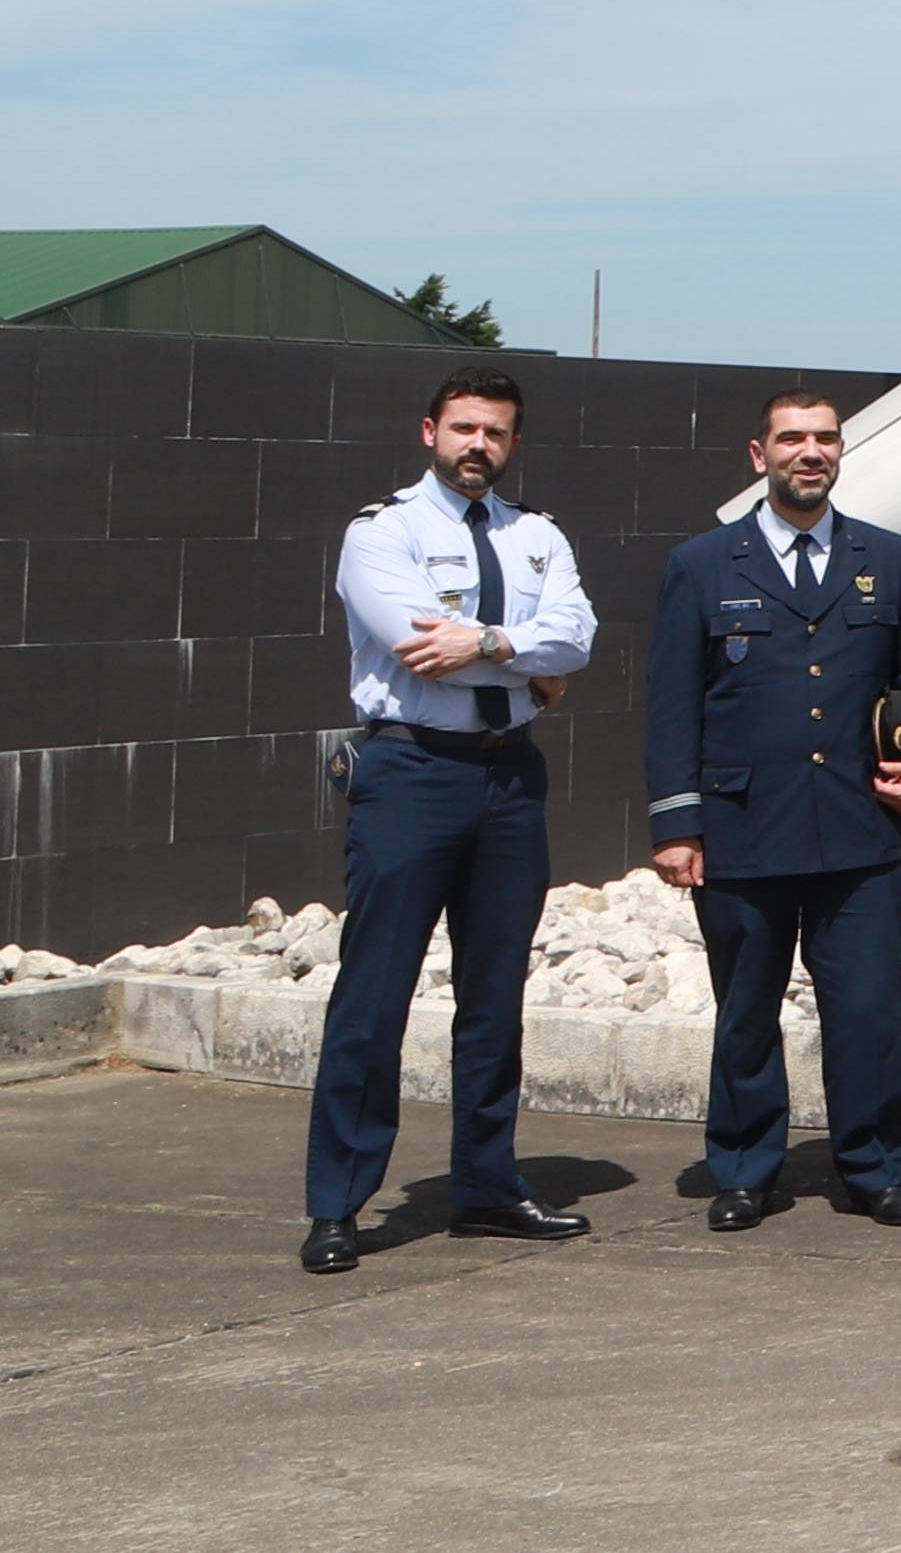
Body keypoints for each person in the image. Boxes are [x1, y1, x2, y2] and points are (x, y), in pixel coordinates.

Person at [299, 365, 601, 1274]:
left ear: (513, 442)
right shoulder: (381, 532)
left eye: (497, 432)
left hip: (510, 779)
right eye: (464, 428)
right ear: (429, 430)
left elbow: (579, 638)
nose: (480, 446)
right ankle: (338, 1203)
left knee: (496, 991)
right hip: (410, 774)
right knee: (375, 989)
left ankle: (487, 1183)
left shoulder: (539, 535)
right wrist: (530, 666)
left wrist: (496, 642)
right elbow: (421, 650)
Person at [645, 386, 901, 1232]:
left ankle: (873, 1167)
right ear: (759, 456)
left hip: (860, 832)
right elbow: (674, 702)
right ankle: (747, 1168)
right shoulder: (703, 564)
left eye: (824, 438)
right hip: (743, 829)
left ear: (841, 452)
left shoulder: (888, 557)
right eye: (791, 439)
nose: (808, 452)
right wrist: (676, 823)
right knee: (746, 1012)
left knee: (865, 1011)